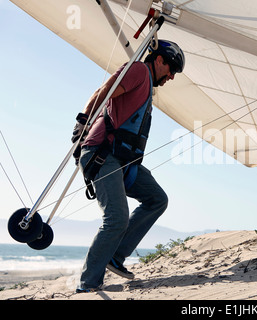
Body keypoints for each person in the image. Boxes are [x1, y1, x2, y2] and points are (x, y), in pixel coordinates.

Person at [71, 40, 185, 292]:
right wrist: (83, 122)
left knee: (157, 199)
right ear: (159, 60)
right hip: (102, 154)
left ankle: (115, 255)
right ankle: (87, 286)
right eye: (171, 69)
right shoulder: (138, 71)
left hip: (123, 161)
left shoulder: (146, 84)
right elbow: (105, 90)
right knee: (116, 218)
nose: (172, 77)